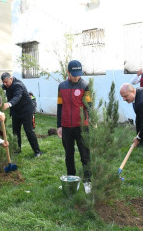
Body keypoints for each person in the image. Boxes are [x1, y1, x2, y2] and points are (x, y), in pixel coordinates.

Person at [57, 60, 92, 194]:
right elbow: (60, 106)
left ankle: (88, 181)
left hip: (82, 127)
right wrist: (59, 125)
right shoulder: (61, 86)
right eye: (74, 74)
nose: (77, 77)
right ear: (68, 72)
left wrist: (90, 121)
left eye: (78, 74)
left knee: (85, 154)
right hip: (66, 126)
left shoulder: (85, 86)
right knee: (69, 155)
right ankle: (71, 180)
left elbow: (89, 106)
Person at [1, 72, 42, 157]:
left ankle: (37, 151)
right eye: (3, 82)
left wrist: (8, 104)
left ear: (11, 79)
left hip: (26, 111)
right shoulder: (6, 84)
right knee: (15, 132)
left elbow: (17, 97)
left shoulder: (18, 85)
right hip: (16, 112)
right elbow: (2, 87)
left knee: (29, 131)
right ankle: (17, 149)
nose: (4, 84)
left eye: (6, 82)